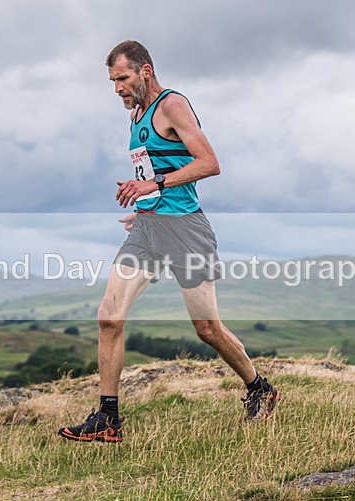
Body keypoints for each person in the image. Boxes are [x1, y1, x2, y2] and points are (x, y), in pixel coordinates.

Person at [58, 40, 279, 443]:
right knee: (109, 317)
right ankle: (109, 417)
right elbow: (155, 172)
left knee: (207, 329)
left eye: (122, 78)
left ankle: (259, 388)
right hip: (149, 228)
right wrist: (145, 203)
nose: (117, 89)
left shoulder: (172, 105)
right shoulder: (136, 116)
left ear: (145, 71)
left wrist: (153, 183)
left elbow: (210, 163)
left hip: (186, 230)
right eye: (112, 81)